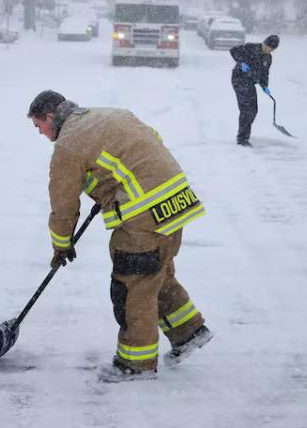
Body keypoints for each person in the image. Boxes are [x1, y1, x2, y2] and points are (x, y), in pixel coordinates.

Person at [27, 90, 212, 382]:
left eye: (39, 126)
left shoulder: (68, 145)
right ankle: (188, 331)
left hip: (143, 214)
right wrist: (113, 185)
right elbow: (149, 143)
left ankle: (135, 365)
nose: (41, 133)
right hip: (177, 201)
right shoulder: (112, 114)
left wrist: (61, 244)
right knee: (156, 272)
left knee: (132, 286)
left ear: (50, 116)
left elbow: (63, 204)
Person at [229, 34, 279, 146]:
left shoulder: (268, 58)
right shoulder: (251, 47)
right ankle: (242, 139)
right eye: (269, 47)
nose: (270, 50)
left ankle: (244, 134)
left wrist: (265, 86)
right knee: (246, 110)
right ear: (265, 43)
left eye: (272, 49)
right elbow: (233, 51)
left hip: (250, 83)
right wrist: (241, 63)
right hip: (239, 80)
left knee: (254, 110)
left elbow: (265, 73)